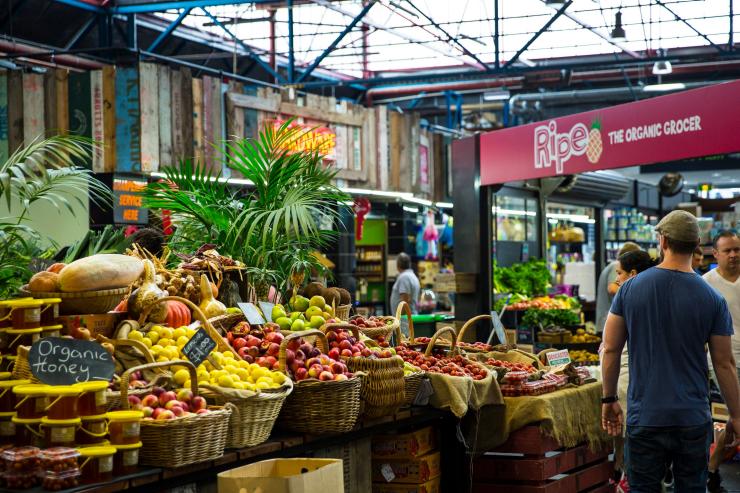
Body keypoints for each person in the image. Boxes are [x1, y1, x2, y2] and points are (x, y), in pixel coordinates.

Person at [601, 210, 740, 492]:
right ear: (698, 244)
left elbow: (611, 349)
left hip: (645, 416)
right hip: (693, 417)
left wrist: (609, 398)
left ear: (663, 241)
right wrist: (736, 415)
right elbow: (724, 363)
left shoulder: (629, 290)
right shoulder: (712, 298)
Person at [607, 250, 656, 492]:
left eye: (619, 273)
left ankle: (626, 477)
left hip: (628, 377)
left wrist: (608, 397)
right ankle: (622, 472)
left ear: (633, 274)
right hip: (635, 377)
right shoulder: (651, 295)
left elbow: (611, 348)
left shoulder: (629, 298)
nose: (616, 279)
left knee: (629, 433)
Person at [704, 231, 740, 493]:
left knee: (736, 417)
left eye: (737, 249)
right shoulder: (706, 283)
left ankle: (712, 469)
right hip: (724, 359)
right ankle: (712, 469)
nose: (734, 254)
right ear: (715, 254)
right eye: (727, 250)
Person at [595, 242, 641, 333]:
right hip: (609, 324)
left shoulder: (613, 265)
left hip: (607, 323)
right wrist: (636, 296)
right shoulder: (616, 266)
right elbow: (612, 288)